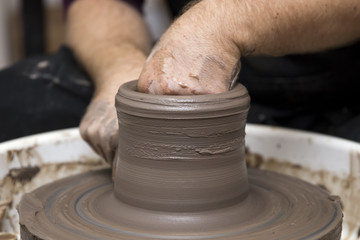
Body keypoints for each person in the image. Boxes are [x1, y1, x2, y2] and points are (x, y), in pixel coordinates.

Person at [1, 0, 359, 168]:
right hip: (193, 79)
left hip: (348, 89)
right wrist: (119, 69)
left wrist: (223, 21)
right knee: (18, 98)